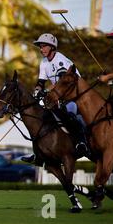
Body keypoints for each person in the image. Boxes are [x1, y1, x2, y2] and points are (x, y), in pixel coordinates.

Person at [21, 33, 89, 165]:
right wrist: (37, 92)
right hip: (57, 97)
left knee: (68, 113)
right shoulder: (44, 62)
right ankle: (38, 153)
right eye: (40, 47)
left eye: (44, 46)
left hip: (75, 96)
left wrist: (46, 91)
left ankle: (81, 142)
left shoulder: (60, 60)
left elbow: (63, 82)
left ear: (52, 47)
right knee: (39, 118)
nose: (41, 49)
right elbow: (41, 82)